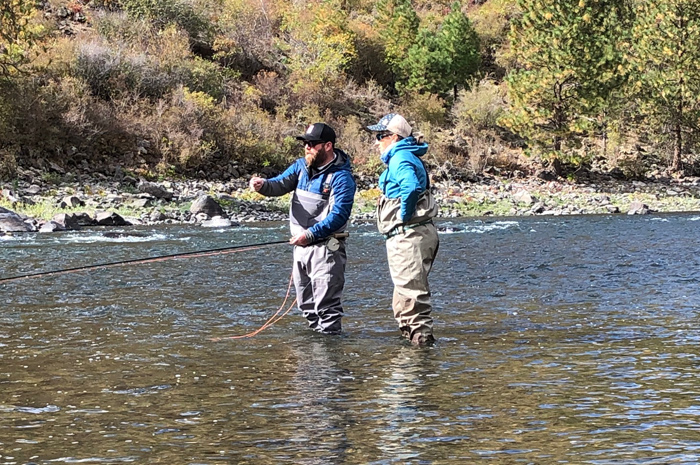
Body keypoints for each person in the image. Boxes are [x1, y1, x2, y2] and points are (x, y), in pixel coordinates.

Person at [249, 123, 356, 334]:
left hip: (326, 249)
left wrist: (310, 234)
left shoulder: (342, 178)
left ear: (327, 146)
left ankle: (329, 356)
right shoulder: (300, 167)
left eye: (312, 144)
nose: (307, 147)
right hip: (301, 247)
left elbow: (339, 216)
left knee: (327, 308)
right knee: (306, 306)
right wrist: (263, 185)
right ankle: (315, 357)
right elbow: (278, 184)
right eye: (305, 143)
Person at [367, 113, 439, 346]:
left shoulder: (400, 158)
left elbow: (410, 188)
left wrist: (402, 216)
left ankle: (421, 356)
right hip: (415, 234)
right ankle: (417, 352)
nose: (376, 141)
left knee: (410, 296)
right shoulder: (404, 156)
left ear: (394, 137)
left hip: (409, 235)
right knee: (405, 294)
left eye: (380, 136)